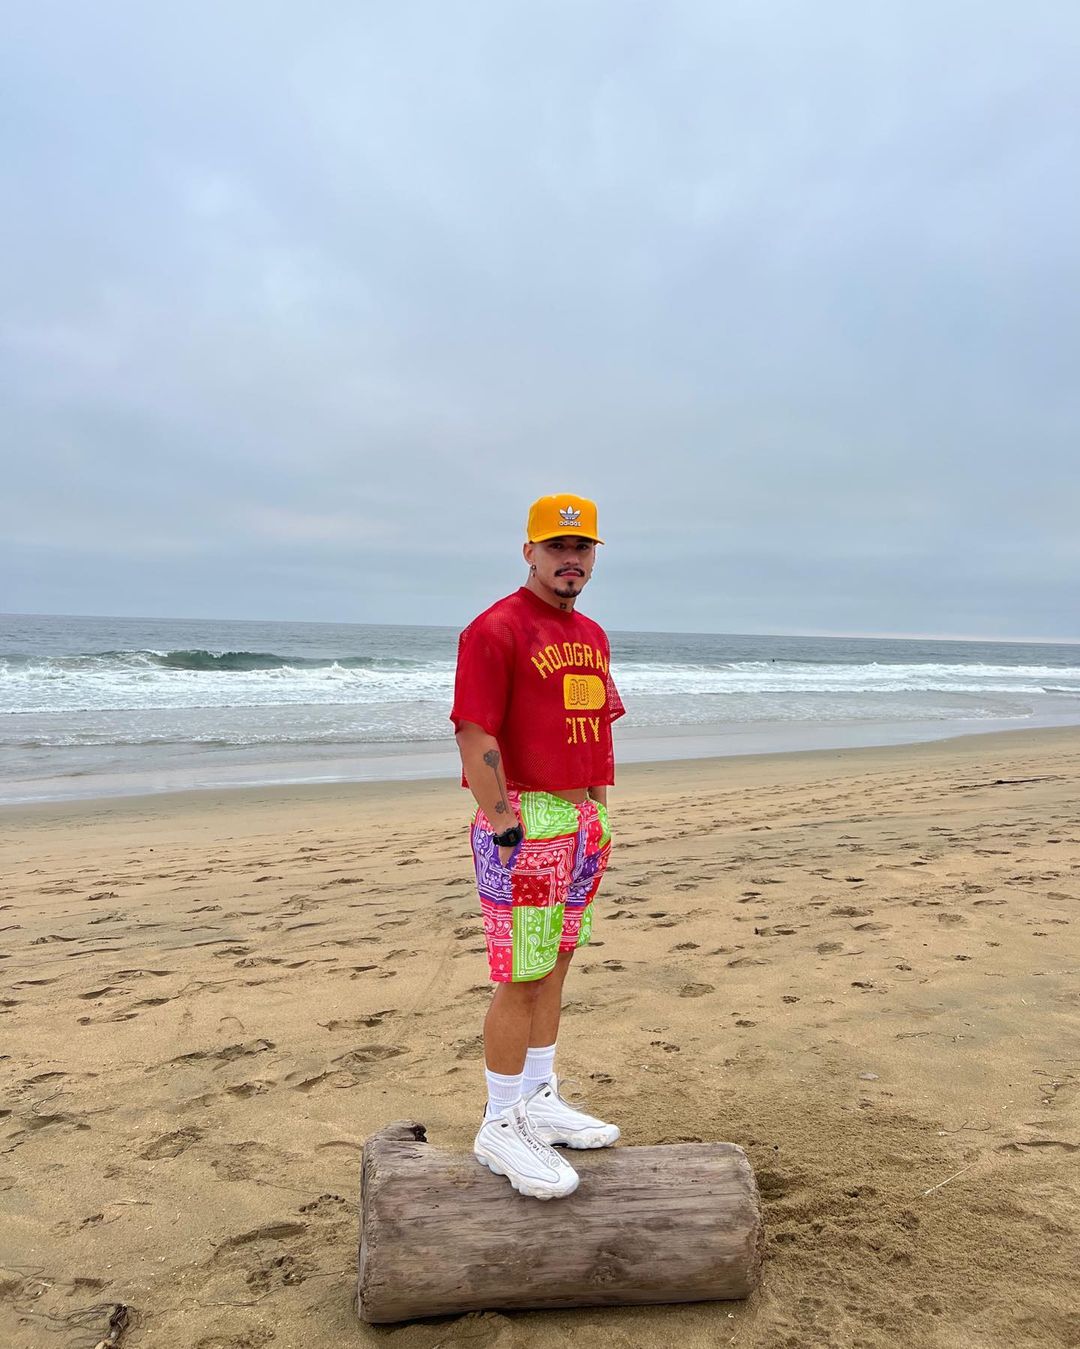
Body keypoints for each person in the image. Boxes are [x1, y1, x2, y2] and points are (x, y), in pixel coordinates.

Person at [450, 493, 625, 1200]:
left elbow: (597, 725)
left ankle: (538, 1096)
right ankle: (500, 1121)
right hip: (524, 818)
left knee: (556, 962)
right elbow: (474, 731)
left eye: (581, 548)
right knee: (521, 973)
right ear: (529, 551)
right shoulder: (496, 629)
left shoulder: (591, 634)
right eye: (556, 546)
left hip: (580, 820)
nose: (569, 559)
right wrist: (503, 822)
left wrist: (598, 815)